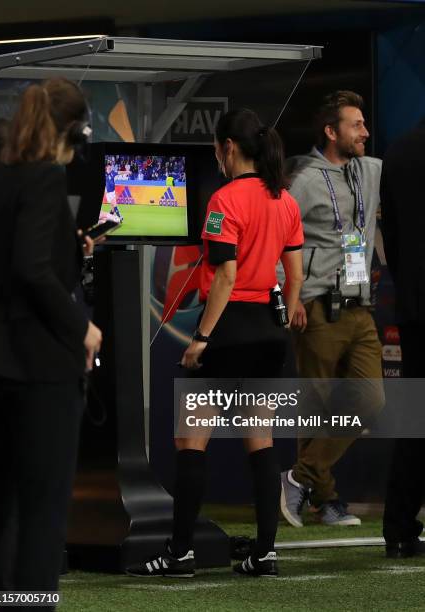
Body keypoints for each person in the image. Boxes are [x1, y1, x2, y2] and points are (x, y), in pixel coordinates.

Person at [126, 108, 304, 579]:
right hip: (269, 327)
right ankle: (265, 553)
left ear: (227, 148)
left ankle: (180, 553)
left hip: (228, 329)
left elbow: (225, 275)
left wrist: (202, 337)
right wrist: (282, 316)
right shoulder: (284, 199)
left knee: (191, 440)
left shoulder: (225, 200)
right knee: (260, 440)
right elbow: (296, 275)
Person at [0, 78, 102, 609]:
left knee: (3, 507)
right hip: (41, 372)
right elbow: (32, 270)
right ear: (75, 129)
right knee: (42, 511)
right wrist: (82, 327)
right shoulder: (44, 180)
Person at [280, 91, 385, 528]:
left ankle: (298, 478)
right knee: (316, 407)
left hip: (361, 307)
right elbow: (280, 238)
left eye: (363, 123)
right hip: (318, 306)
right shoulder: (302, 178)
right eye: (355, 125)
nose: (364, 132)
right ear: (330, 131)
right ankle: (325, 500)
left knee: (370, 401)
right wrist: (292, 294)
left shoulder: (370, 169)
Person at [380, 119, 425, 558]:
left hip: (414, 307)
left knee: (418, 422)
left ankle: (398, 526)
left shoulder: (399, 151)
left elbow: (390, 235)